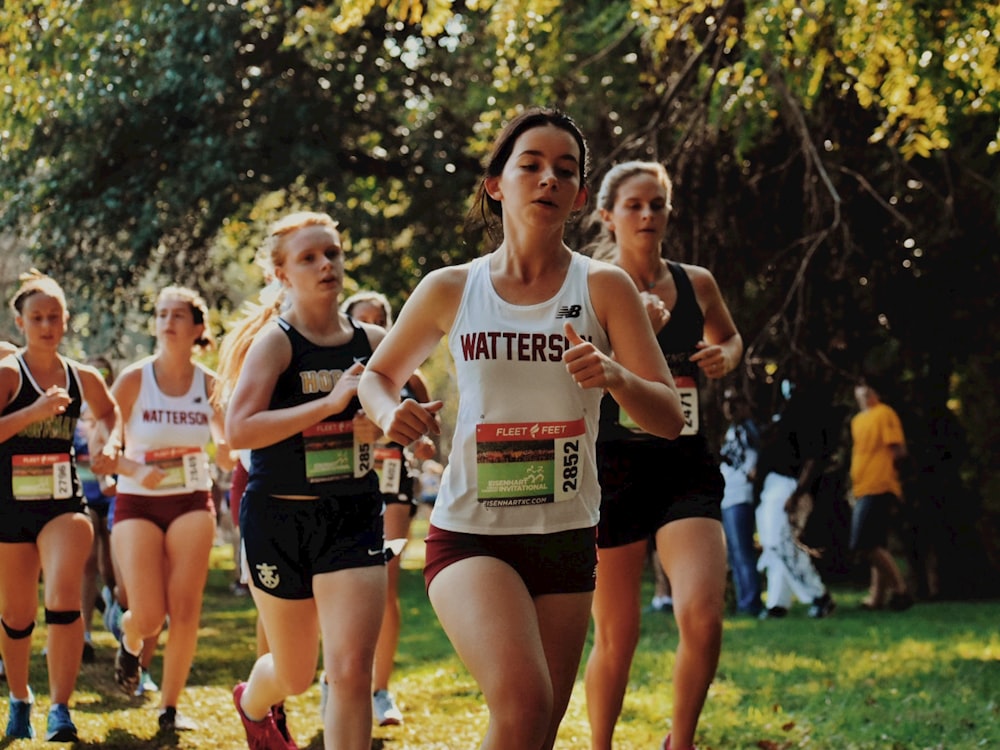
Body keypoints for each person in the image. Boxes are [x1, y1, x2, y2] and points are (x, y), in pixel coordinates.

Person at [359, 108, 685, 750]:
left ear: (581, 197)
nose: (548, 180)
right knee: (524, 703)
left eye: (565, 171)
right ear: (496, 183)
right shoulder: (452, 287)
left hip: (565, 535)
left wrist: (615, 376)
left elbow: (669, 418)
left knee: (534, 729)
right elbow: (378, 375)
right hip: (469, 535)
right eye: (530, 165)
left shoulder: (606, 287)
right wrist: (388, 413)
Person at [580, 160, 740, 750]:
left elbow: (728, 335)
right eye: (634, 205)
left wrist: (728, 355)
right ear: (607, 215)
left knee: (702, 615)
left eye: (658, 205)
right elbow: (565, 364)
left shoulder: (695, 282)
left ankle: (682, 742)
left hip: (683, 466)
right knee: (616, 636)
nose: (648, 215)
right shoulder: (592, 283)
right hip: (613, 469)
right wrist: (625, 326)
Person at [222, 210, 388, 750]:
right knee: (294, 675)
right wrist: (330, 402)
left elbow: (403, 411)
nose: (325, 265)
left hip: (353, 518)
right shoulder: (276, 342)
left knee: (349, 671)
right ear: (280, 273)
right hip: (280, 518)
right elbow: (238, 429)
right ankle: (253, 702)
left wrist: (409, 427)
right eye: (308, 257)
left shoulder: (375, 339)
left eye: (332, 254)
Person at [0, 271, 122, 741]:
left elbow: (110, 413)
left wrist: (107, 442)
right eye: (37, 318)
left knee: (63, 597)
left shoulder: (83, 375)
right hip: (10, 506)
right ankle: (19, 699)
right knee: (16, 614)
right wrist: (34, 411)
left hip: (63, 503)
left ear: (66, 320)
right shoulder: (10, 374)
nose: (47, 326)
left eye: (54, 317)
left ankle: (62, 710)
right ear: (20, 322)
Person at [109, 285, 234, 731]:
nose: (167, 322)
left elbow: (225, 438)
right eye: (161, 314)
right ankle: (128, 636)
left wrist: (225, 450)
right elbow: (102, 450)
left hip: (191, 500)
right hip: (137, 503)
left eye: (177, 315)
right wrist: (132, 468)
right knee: (148, 614)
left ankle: (169, 708)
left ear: (197, 327)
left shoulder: (211, 385)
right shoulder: (133, 380)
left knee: (184, 608)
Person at [341, 290, 436, 727]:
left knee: (386, 585)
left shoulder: (410, 378)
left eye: (380, 321)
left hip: (394, 483)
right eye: (363, 320)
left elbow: (427, 433)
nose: (372, 328)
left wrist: (423, 442)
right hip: (345, 485)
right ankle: (340, 678)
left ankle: (380, 690)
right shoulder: (336, 375)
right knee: (343, 587)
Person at [754, 380, 838, 620]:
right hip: (771, 487)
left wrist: (797, 493)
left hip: (787, 486)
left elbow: (812, 460)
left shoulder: (806, 419)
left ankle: (820, 596)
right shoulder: (781, 418)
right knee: (773, 547)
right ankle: (777, 604)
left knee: (784, 545)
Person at [849, 377, 913, 611]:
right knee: (876, 543)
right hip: (862, 487)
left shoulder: (885, 413)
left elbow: (898, 450)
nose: (864, 392)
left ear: (876, 392)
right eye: (860, 387)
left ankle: (901, 590)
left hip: (881, 485)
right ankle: (876, 599)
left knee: (863, 543)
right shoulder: (857, 421)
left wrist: (896, 483)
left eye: (868, 388)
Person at [76, 355, 118, 663]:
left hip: (115, 492)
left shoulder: (115, 409)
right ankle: (85, 634)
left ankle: (114, 604)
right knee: (87, 560)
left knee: (112, 566)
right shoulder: (74, 412)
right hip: (84, 492)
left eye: (105, 372)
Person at [719, 388, 763, 617]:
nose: (730, 407)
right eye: (727, 402)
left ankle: (751, 602)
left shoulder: (748, 429)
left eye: (735, 402)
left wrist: (748, 476)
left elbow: (756, 458)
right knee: (735, 552)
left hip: (739, 495)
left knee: (743, 550)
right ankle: (744, 599)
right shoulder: (732, 430)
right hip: (729, 495)